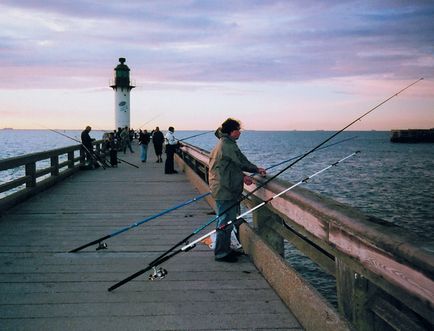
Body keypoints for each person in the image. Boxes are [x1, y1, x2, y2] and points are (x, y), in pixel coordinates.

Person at [208, 118, 266, 262]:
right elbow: (239, 161)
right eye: (238, 130)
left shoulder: (226, 143)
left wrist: (243, 175)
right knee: (225, 222)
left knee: (227, 221)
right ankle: (221, 253)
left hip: (225, 188)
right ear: (232, 131)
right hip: (224, 190)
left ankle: (226, 249)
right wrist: (255, 169)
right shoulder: (226, 145)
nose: (239, 132)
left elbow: (231, 165)